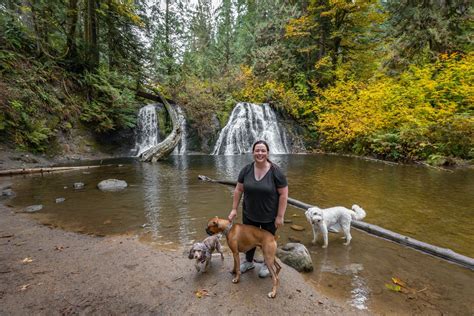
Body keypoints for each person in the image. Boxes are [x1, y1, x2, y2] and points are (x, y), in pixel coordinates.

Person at [227, 140, 288, 278]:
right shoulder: (246, 170)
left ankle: (267, 264)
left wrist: (280, 216)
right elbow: (238, 190)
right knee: (249, 239)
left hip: (269, 216)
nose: (260, 153)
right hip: (249, 214)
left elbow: (284, 195)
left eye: (263, 150)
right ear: (253, 152)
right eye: (257, 150)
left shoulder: (276, 172)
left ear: (267, 153)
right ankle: (249, 261)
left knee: (267, 241)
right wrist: (234, 209)